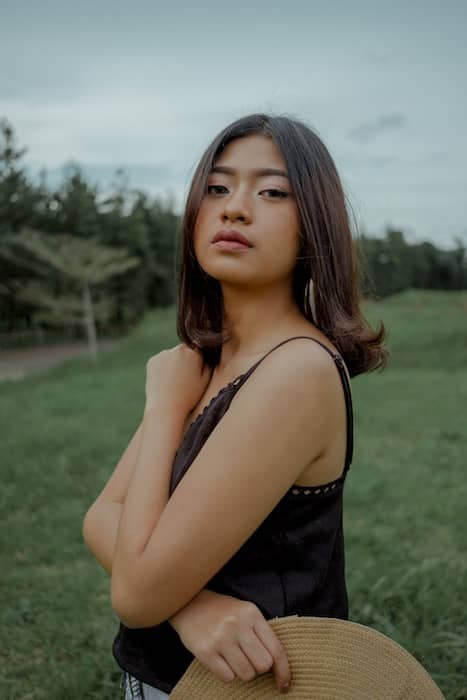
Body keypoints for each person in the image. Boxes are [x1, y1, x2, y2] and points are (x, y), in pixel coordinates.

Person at [82, 112, 389, 699]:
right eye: (217, 188)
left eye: (272, 191)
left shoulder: (294, 371)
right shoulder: (210, 359)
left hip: (243, 688)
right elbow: (101, 515)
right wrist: (192, 607)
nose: (235, 208)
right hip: (167, 679)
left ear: (314, 224)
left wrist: (164, 409)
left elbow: (137, 593)